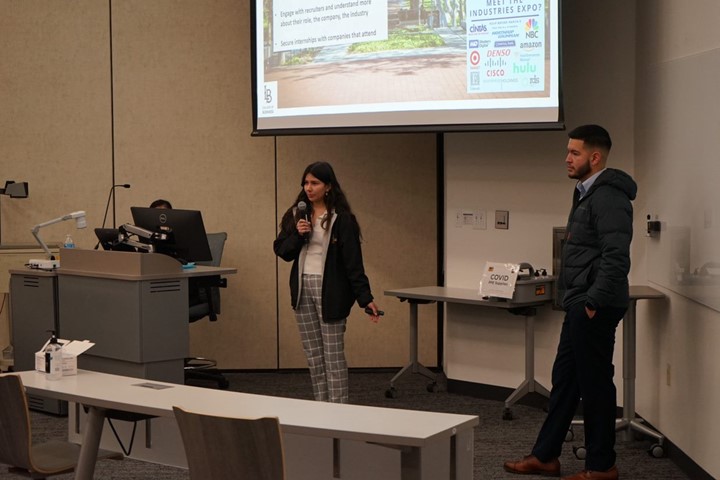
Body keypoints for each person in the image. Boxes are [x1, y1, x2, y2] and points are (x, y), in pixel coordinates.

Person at [504, 125, 636, 480]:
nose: (567, 158)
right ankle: (546, 456)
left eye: (574, 153)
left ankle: (601, 466)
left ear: (594, 157)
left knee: (595, 386)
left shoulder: (608, 196)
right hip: (581, 301)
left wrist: (592, 301)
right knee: (564, 380)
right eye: (568, 151)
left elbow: (616, 257)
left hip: (594, 305)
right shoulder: (585, 193)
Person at [273, 161, 381, 404]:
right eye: (306, 183)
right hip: (302, 290)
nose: (308, 188)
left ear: (328, 186)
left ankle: (338, 409)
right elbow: (281, 250)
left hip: (330, 291)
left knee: (332, 356)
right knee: (314, 356)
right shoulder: (295, 214)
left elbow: (354, 263)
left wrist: (366, 298)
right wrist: (298, 236)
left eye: (315, 183)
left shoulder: (341, 219)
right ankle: (321, 407)